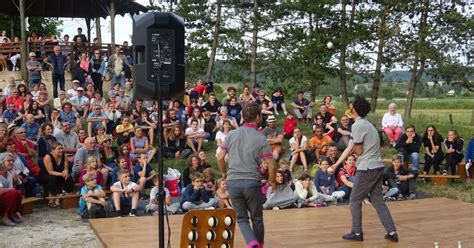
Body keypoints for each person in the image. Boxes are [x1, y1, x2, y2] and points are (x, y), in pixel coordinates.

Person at [330, 95, 398, 242]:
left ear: (354, 109)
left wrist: (351, 153)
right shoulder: (366, 124)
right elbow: (350, 146)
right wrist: (336, 164)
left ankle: (356, 233)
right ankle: (392, 232)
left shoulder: (357, 125)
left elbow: (358, 150)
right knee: (377, 200)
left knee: (354, 199)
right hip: (377, 166)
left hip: (367, 167)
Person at [217, 101, 277, 248]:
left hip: (233, 182)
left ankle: (251, 242)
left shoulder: (231, 135)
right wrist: (272, 180)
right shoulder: (261, 138)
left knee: (242, 219)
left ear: (243, 117)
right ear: (257, 117)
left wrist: (224, 172)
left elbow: (219, 157)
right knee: (257, 218)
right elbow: (272, 164)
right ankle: (258, 244)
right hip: (251, 182)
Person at [39, 142, 74, 208]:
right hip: (45, 175)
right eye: (59, 149)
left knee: (68, 176)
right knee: (52, 178)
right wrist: (62, 174)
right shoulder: (48, 157)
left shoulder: (64, 156)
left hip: (58, 174)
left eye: (62, 148)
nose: (61, 150)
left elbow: (66, 168)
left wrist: (65, 172)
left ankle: (68, 194)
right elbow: (50, 171)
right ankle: (51, 199)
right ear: (53, 150)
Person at [0, 153, 23, 226]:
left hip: (3, 196)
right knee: (13, 193)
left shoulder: (10, 173)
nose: (12, 162)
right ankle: (4, 217)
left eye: (12, 160)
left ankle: (11, 214)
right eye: (9, 161)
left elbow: (13, 190)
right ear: (2, 162)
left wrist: (15, 182)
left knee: (18, 193)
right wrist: (11, 190)